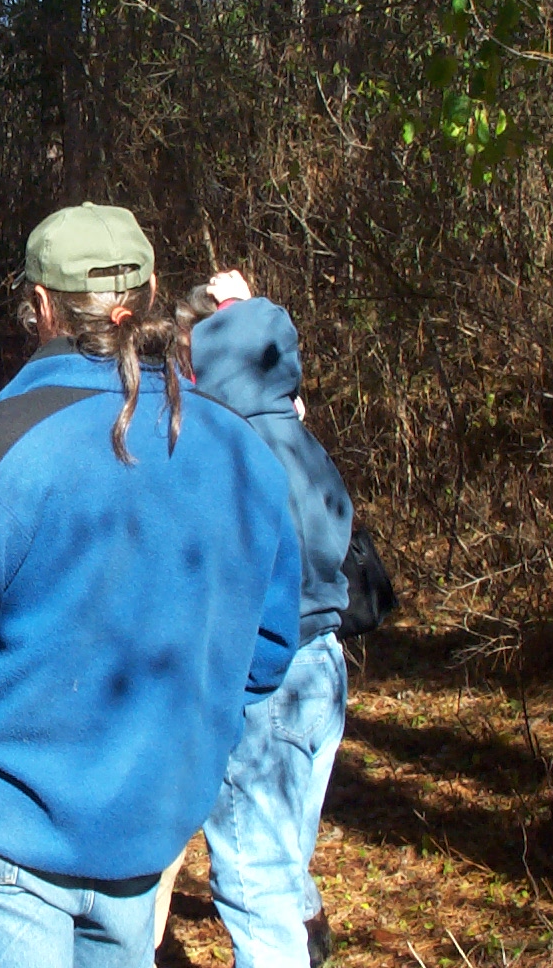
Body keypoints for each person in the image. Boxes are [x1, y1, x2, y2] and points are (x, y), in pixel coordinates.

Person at [0, 202, 304, 968]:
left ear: (40, 305)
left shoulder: (0, 445)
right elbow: (268, 650)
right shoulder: (242, 453)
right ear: (151, 292)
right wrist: (180, 752)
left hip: (1, 834)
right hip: (145, 835)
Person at [187, 269, 354, 968]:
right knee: (282, 862)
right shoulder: (297, 440)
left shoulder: (229, 456)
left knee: (254, 882)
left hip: (268, 679)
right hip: (324, 669)